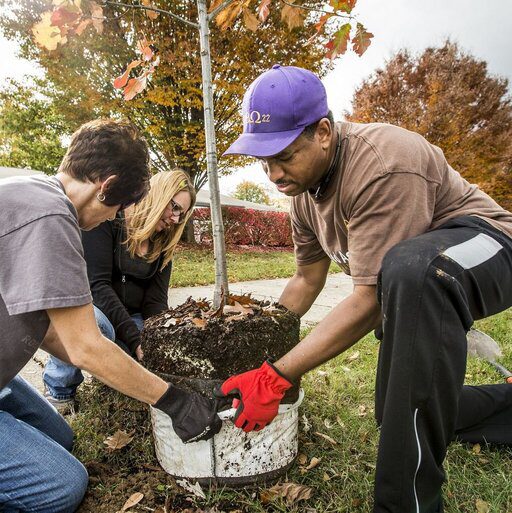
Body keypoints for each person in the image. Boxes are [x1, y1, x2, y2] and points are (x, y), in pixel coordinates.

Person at [217, 65, 512, 513]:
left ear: (322, 132)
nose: (273, 173)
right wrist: (260, 345)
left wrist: (278, 376)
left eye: (285, 155)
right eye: (263, 160)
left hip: (488, 245)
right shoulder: (301, 194)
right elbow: (305, 279)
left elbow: (371, 299)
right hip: (418, 276)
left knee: (413, 271)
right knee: (395, 413)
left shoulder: (383, 163)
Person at [0, 119, 221, 513]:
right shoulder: (53, 218)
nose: (117, 214)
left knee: (60, 439)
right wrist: (174, 402)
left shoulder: (34, 193)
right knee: (62, 488)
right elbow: (86, 346)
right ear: (106, 185)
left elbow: (55, 334)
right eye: (121, 205)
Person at [43, 169, 196, 412]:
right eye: (175, 207)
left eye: (182, 214)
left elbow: (155, 302)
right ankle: (59, 393)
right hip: (96, 307)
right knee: (95, 326)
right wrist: (136, 341)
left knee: (156, 340)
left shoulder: (163, 243)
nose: (176, 219)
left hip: (132, 318)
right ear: (159, 195)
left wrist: (160, 335)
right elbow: (97, 286)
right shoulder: (109, 220)